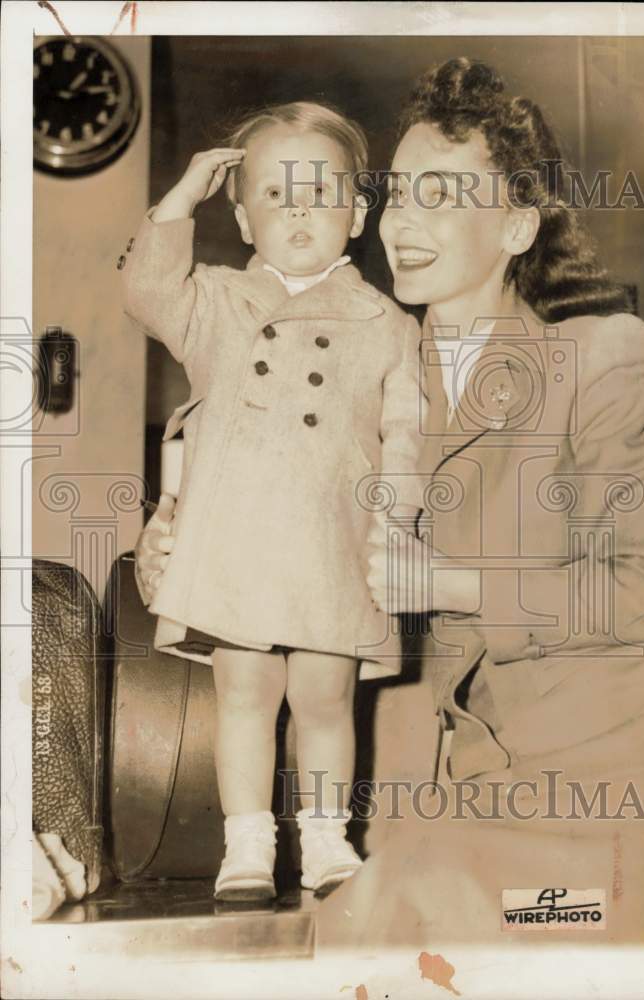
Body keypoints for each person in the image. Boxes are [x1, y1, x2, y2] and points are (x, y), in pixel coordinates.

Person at [137, 59, 644, 947]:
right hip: (446, 802)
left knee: (482, 928)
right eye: (399, 194)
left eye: (443, 194)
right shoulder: (356, 365)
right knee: (367, 935)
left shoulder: (599, 357)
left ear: (518, 226)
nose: (406, 221)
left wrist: (449, 582)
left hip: (627, 774)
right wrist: (182, 545)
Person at [123, 102, 424, 902]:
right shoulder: (214, 302)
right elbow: (147, 292)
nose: (297, 209)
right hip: (236, 539)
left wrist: (395, 523)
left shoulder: (388, 324)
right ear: (243, 218)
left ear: (357, 214)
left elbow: (406, 432)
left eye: (320, 192)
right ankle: (247, 846)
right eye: (274, 194)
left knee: (325, 695)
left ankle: (327, 840)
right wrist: (176, 202)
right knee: (244, 694)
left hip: (332, 539)